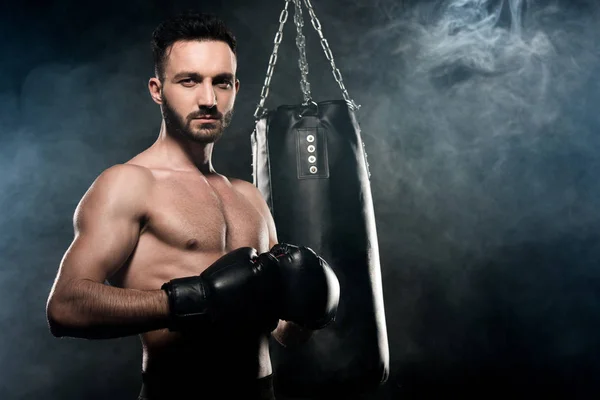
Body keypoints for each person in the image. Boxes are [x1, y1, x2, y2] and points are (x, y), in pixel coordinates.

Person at [45, 12, 340, 400]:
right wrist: (194, 299)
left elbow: (284, 335)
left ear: (235, 87)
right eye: (189, 81)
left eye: (221, 83)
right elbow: (65, 307)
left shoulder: (249, 196)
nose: (207, 99)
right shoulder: (130, 183)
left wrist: (309, 306)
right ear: (157, 89)